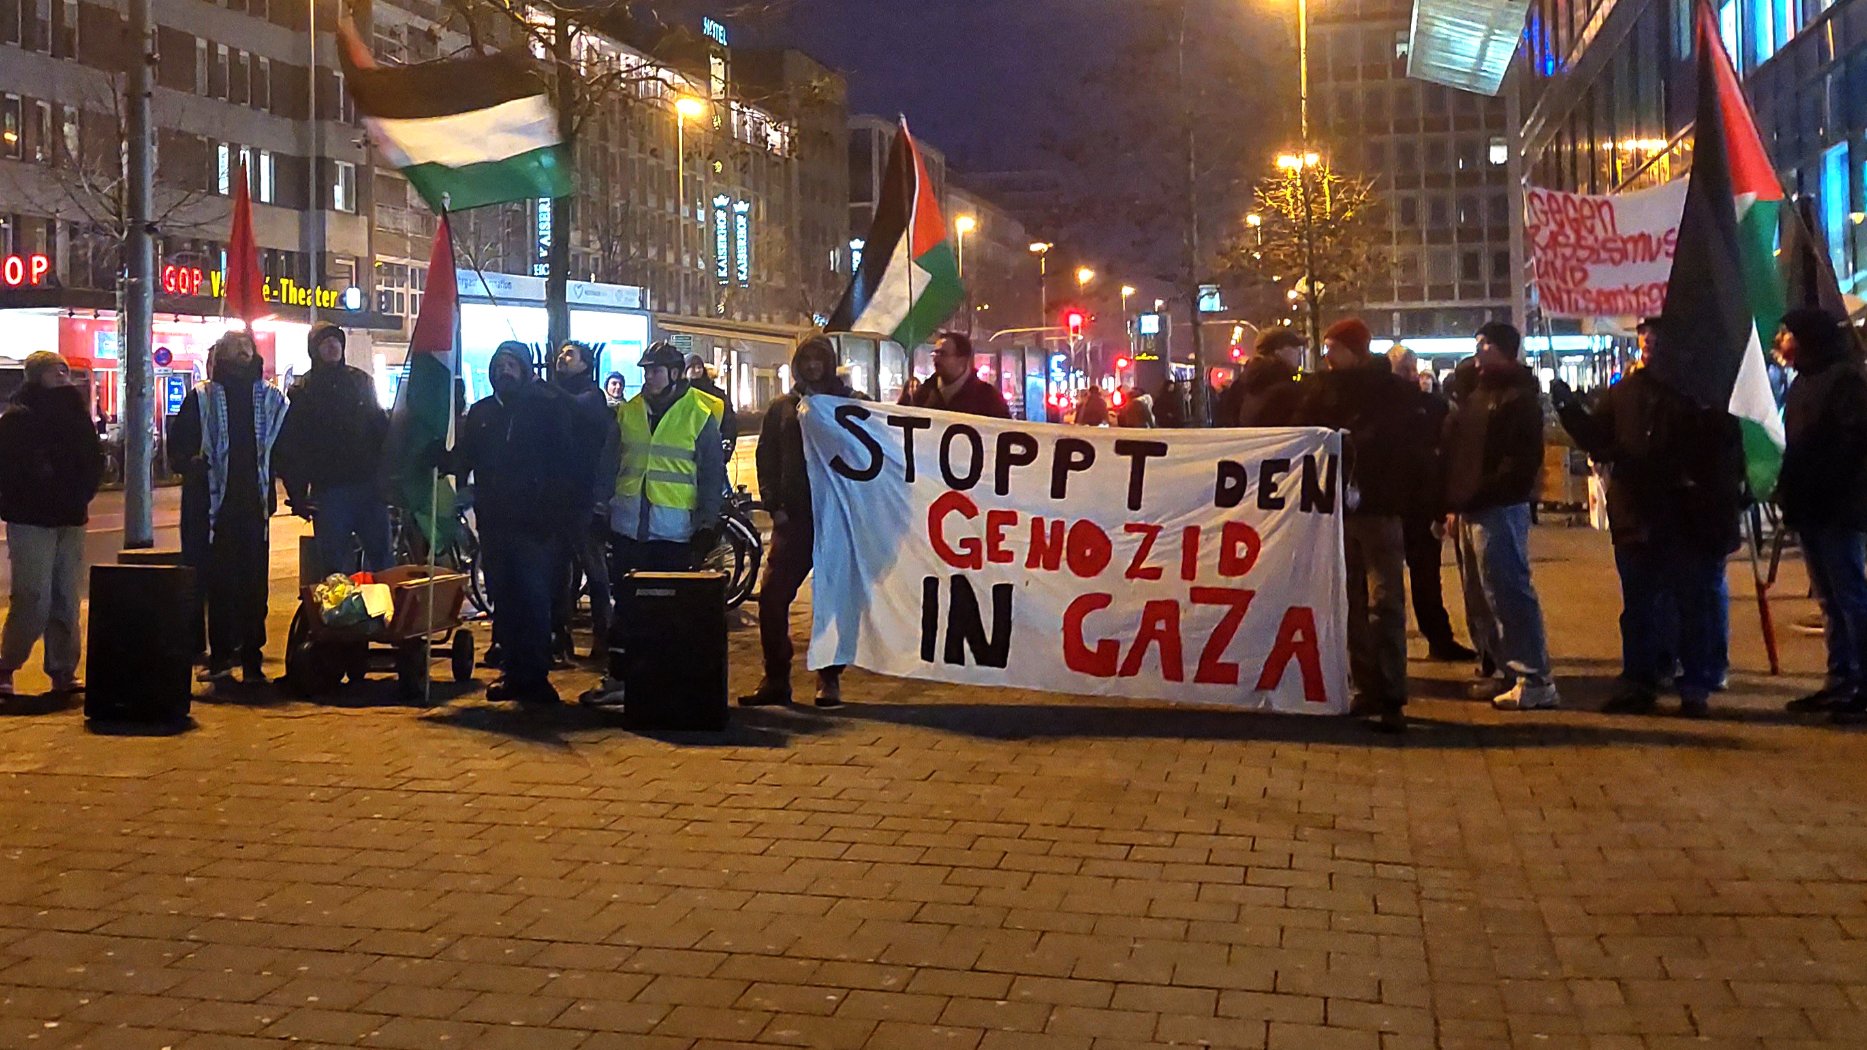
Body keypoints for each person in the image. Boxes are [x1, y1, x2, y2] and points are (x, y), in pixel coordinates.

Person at [1552, 319, 1743, 717]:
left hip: (1685, 519)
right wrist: (1570, 410)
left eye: (1656, 333)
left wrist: (1707, 490)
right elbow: (1601, 440)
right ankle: (1639, 682)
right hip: (1637, 517)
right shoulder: (1626, 392)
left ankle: (1695, 685)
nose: (1647, 341)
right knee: (1639, 606)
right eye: (1643, 335)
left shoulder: (1699, 392)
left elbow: (1722, 451)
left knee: (1691, 605)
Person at [1297, 318, 1431, 731]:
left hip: (1378, 505)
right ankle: (1365, 685)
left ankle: (1391, 692)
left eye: (1333, 348)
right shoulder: (1320, 389)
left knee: (1383, 599)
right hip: (1336, 508)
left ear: (1353, 350)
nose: (1326, 357)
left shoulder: (1392, 393)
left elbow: (1408, 446)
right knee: (1350, 599)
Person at [586, 341, 727, 704]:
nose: (648, 376)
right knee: (625, 608)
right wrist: (601, 511)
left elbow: (711, 475)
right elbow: (608, 465)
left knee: (668, 614)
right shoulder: (628, 412)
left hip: (674, 533)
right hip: (628, 529)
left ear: (675, 374)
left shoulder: (699, 414)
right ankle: (618, 679)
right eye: (646, 370)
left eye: (656, 370)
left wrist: (708, 526)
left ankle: (663, 680)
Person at [457, 342, 595, 704]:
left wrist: (554, 509)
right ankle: (512, 671)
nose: (505, 371)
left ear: (524, 369)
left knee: (534, 599)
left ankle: (535, 675)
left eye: (511, 364)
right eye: (499, 364)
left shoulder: (545, 408)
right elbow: (466, 458)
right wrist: (439, 459)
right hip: (495, 521)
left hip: (534, 523)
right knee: (504, 599)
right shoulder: (482, 412)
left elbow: (566, 460)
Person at [1444, 322, 1558, 710]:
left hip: (1498, 505)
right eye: (1477, 343)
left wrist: (1482, 490)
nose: (1478, 351)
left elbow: (1519, 460)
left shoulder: (1517, 397)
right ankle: (1506, 669)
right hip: (1471, 505)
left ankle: (1534, 677)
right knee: (1481, 595)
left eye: (1485, 344)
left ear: (1504, 350)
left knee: (1507, 590)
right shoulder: (1479, 393)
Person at [740, 336, 855, 709]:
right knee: (772, 598)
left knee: (833, 599)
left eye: (818, 359)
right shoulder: (783, 408)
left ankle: (829, 678)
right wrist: (774, 505)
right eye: (805, 359)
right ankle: (776, 677)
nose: (811, 366)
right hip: (796, 518)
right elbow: (766, 457)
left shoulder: (848, 405)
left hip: (834, 518)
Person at [169, 331, 289, 684]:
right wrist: (189, 465)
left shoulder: (271, 399)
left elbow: (284, 449)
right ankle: (221, 656)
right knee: (218, 584)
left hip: (253, 504)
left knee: (254, 585)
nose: (241, 352)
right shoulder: (202, 398)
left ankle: (252, 657)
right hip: (212, 506)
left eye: (246, 348)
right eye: (234, 348)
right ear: (220, 356)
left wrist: (296, 487)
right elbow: (181, 445)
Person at [1773, 307, 1867, 722]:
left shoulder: (1845, 381)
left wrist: (1818, 479)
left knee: (1850, 597)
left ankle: (1862, 681)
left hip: (1837, 508)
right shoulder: (1804, 383)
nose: (1782, 341)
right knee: (1830, 599)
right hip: (1811, 508)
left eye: (1788, 334)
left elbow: (1852, 445)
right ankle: (1840, 677)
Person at [0, 352, 103, 695]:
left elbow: (93, 460)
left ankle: (62, 669)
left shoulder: (77, 414)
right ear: (35, 376)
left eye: (64, 369)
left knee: (66, 598)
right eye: (52, 370)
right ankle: (7, 664)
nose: (61, 375)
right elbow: (10, 469)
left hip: (70, 517)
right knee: (33, 596)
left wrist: (83, 493)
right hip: (31, 518)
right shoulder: (18, 419)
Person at [275, 321, 392, 575]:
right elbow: (291, 447)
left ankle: (386, 610)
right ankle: (344, 614)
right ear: (314, 350)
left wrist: (389, 477)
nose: (332, 346)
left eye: (336, 341)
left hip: (368, 487)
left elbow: (381, 430)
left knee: (382, 561)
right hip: (330, 492)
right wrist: (297, 494)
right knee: (336, 570)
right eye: (325, 342)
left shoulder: (361, 382)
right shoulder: (302, 392)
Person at [1390, 345, 1475, 662]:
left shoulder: (1426, 406)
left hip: (1412, 503)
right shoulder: (1427, 406)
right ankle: (1436, 639)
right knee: (1419, 577)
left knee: (1421, 577)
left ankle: (1435, 638)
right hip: (1412, 503)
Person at [552, 341, 621, 662]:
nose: (561, 359)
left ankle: (602, 635)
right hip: (560, 498)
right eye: (561, 354)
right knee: (560, 572)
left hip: (585, 499)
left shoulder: (592, 397)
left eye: (570, 355)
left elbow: (580, 409)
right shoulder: (559, 397)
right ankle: (560, 637)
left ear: (585, 365)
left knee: (594, 572)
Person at [913, 331, 1011, 418]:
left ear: (962, 360)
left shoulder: (988, 398)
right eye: (935, 353)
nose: (936, 359)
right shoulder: (923, 393)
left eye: (943, 354)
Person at [1230, 327, 1305, 427]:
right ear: (1278, 351)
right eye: (1294, 347)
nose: (1298, 353)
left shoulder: (1241, 385)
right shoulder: (1285, 390)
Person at [685, 353, 739, 455]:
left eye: (699, 367)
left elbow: (729, 425)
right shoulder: (680, 394)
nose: (697, 370)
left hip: (713, 455)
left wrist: (725, 453)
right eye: (692, 367)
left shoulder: (718, 395)